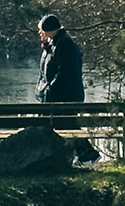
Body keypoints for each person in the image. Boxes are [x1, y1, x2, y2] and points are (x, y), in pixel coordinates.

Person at [37, 14, 99, 161]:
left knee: (67, 125)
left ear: (48, 30)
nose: (40, 34)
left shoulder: (64, 44)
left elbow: (65, 73)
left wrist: (49, 91)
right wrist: (46, 47)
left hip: (65, 96)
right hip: (62, 96)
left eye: (41, 30)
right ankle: (86, 155)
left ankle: (88, 154)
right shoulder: (56, 43)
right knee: (67, 125)